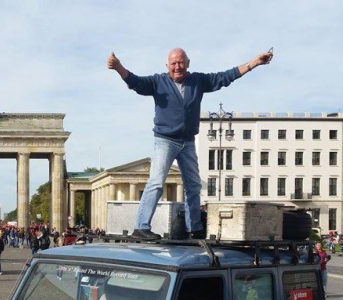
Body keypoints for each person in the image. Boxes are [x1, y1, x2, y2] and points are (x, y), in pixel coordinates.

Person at [108, 47, 273, 240]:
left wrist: (254, 63)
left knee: (193, 185)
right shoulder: (157, 82)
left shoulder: (198, 81)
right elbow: (135, 82)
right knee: (156, 182)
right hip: (165, 140)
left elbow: (225, 77)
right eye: (173, 64)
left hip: (187, 142)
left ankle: (193, 228)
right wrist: (118, 67)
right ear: (167, 65)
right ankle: (141, 227)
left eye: (181, 63)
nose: (177, 67)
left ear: (188, 63)